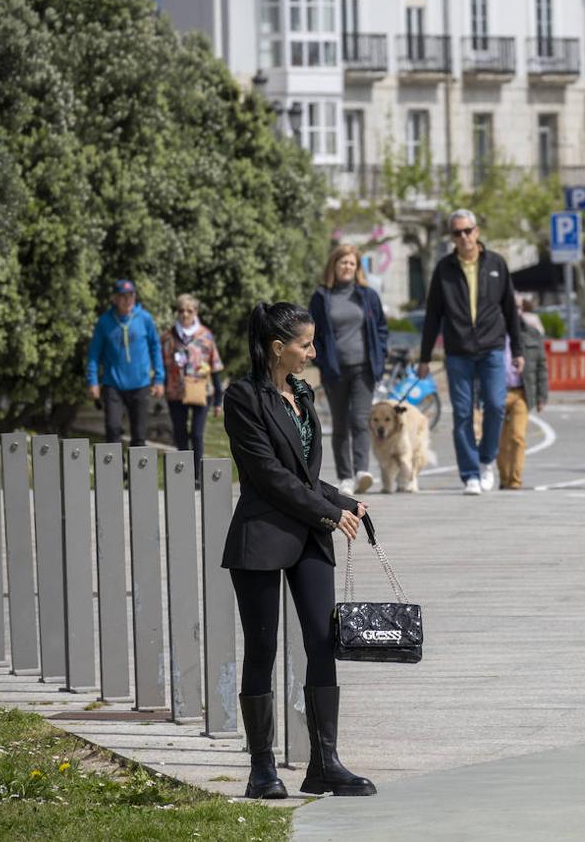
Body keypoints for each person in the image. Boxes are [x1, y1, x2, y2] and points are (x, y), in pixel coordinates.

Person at [221, 302, 375, 800]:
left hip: (309, 535)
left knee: (322, 641)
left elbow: (304, 475)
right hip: (262, 536)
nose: (313, 352)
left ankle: (324, 764)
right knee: (262, 649)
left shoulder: (302, 393)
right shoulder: (242, 397)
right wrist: (328, 513)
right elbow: (268, 476)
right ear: (277, 348)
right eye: (306, 344)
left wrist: (344, 501)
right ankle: (261, 769)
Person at [419, 209, 524, 496]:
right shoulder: (444, 269)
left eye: (468, 231)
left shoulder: (496, 264)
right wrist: (425, 357)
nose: (463, 237)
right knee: (463, 413)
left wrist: (517, 350)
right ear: (452, 237)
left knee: (495, 405)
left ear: (477, 232)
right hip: (458, 351)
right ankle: (470, 475)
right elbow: (433, 315)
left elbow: (510, 311)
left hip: (491, 348)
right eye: (457, 233)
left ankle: (486, 459)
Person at [308, 245, 387, 496]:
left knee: (360, 420)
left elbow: (382, 329)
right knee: (340, 423)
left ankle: (362, 471)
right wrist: (321, 360)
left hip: (364, 368)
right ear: (334, 265)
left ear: (357, 268)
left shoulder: (367, 295)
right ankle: (345, 477)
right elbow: (313, 333)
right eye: (343, 262)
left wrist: (380, 356)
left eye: (352, 263)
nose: (347, 267)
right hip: (335, 370)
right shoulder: (322, 297)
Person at [87, 279, 165, 446]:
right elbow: (94, 354)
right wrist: (92, 381)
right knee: (112, 428)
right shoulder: (105, 322)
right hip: (113, 384)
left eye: (131, 296)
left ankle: (137, 472)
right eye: (122, 296)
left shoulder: (144, 319)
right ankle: (115, 471)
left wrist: (159, 378)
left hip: (140, 384)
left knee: (139, 433)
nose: (127, 300)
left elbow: (155, 347)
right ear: (114, 298)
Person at [161, 294, 225, 467]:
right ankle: (183, 473)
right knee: (180, 433)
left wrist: (219, 400)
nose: (185, 314)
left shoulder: (206, 336)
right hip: (176, 391)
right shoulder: (168, 337)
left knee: (196, 434)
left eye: (189, 311)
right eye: (181, 310)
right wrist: (161, 385)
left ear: (196, 312)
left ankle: (197, 473)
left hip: (201, 391)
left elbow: (215, 366)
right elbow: (162, 365)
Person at [497, 319, 548, 490]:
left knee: (517, 436)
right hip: (498, 392)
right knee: (499, 440)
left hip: (521, 392)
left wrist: (542, 397)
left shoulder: (532, 334)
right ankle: (504, 478)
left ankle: (515, 480)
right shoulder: (492, 332)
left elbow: (541, 366)